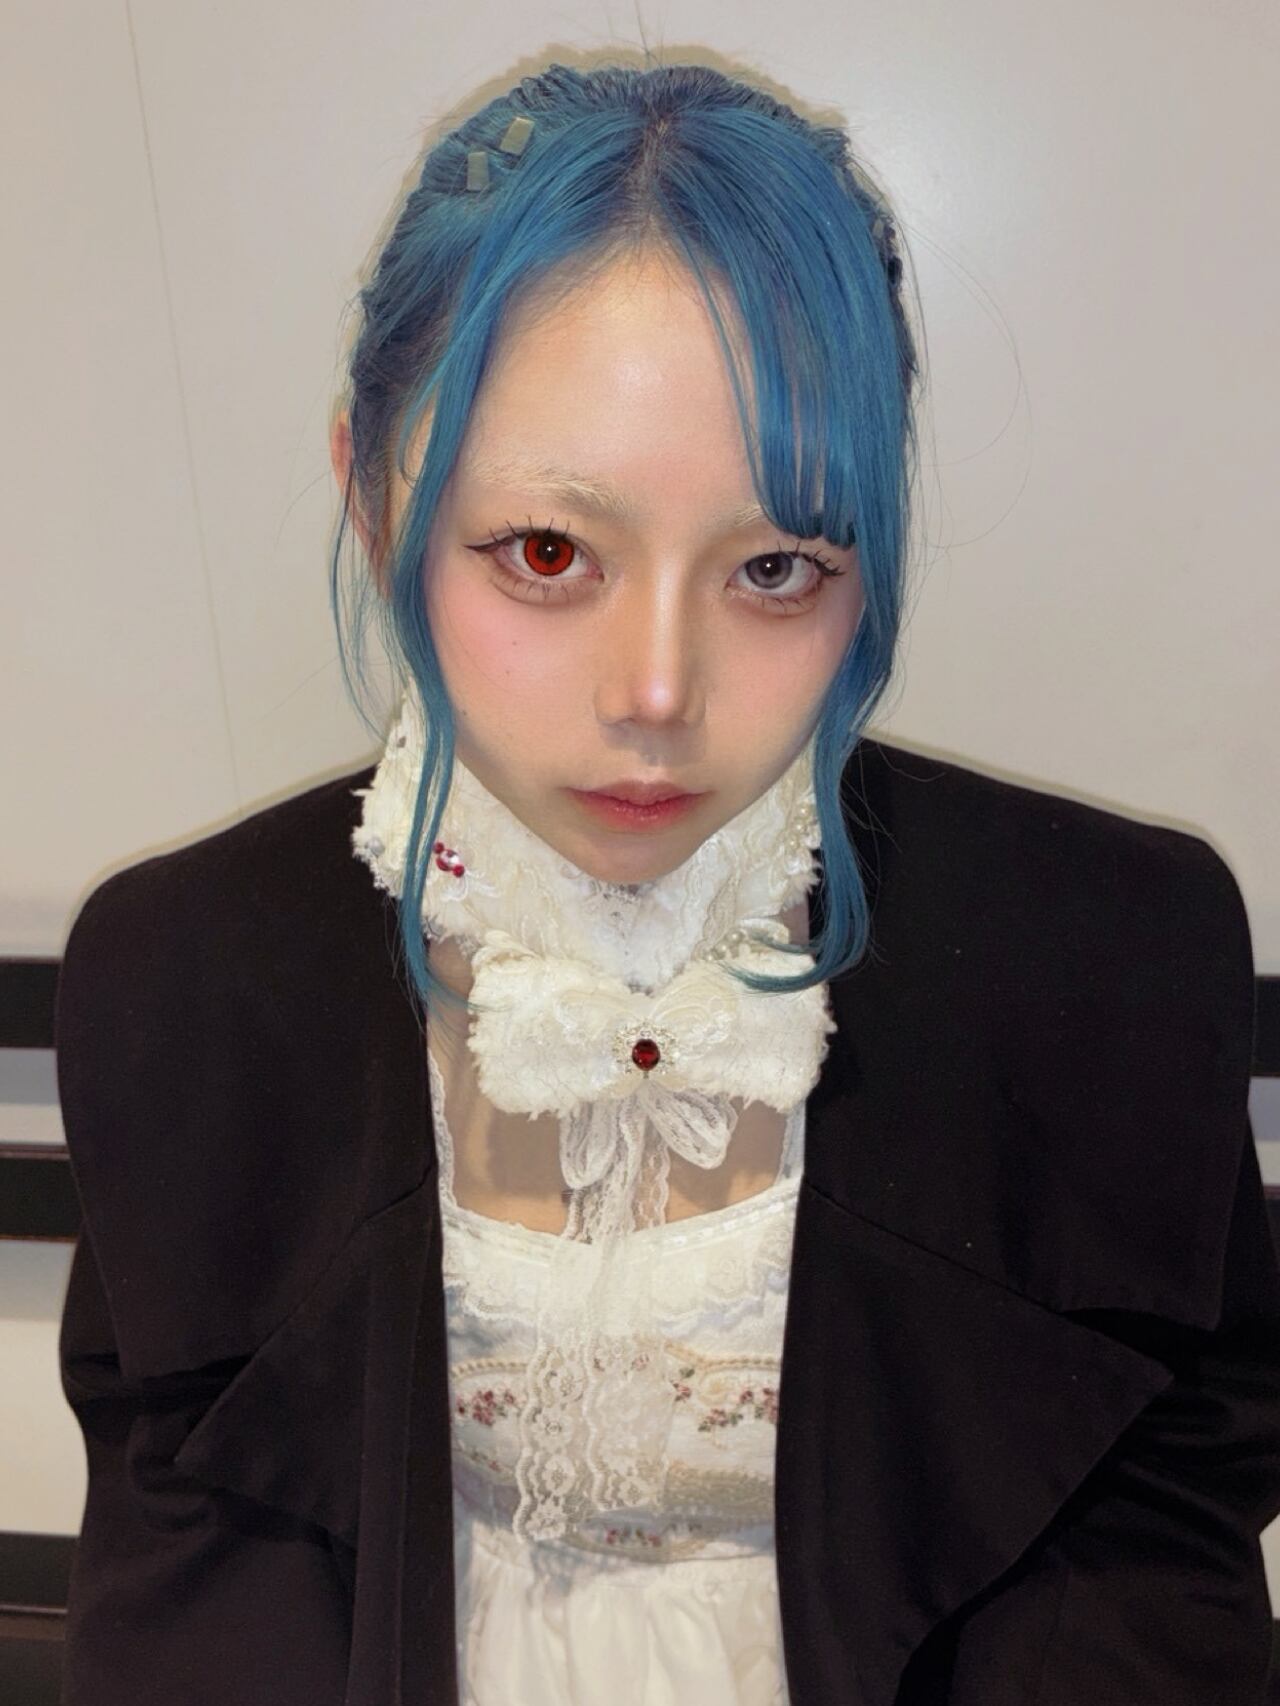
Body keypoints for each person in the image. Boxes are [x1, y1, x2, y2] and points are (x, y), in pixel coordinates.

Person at [54, 58, 1280, 1706]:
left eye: (775, 566)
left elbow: (1150, 1562)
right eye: (549, 553)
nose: (658, 693)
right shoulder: (181, 986)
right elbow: (191, 1596)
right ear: (369, 490)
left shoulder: (1113, 970)